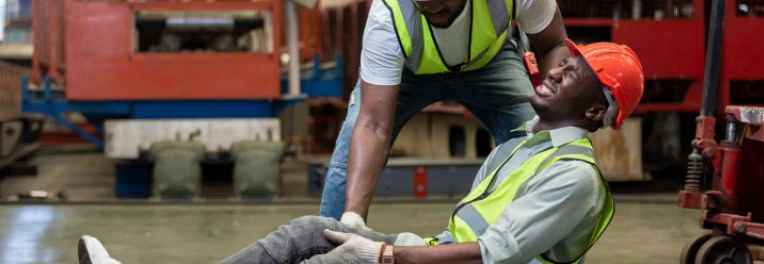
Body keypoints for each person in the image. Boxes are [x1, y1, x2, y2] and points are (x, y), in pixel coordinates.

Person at [78, 40, 644, 264]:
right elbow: (372, 121)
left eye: (572, 73)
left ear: (595, 112)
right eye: (563, 63)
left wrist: (385, 255)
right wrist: (376, 236)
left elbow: (490, 256)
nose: (554, 71)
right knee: (309, 231)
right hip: (435, 253)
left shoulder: (574, 178)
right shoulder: (524, 146)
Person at [320, 0, 578, 226]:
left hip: (488, 62)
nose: (431, 6)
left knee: (539, 144)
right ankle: (331, 248)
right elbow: (374, 125)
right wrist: (351, 220)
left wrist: (554, 117)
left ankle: (545, 249)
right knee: (350, 158)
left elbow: (554, 44)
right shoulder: (388, 14)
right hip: (407, 70)